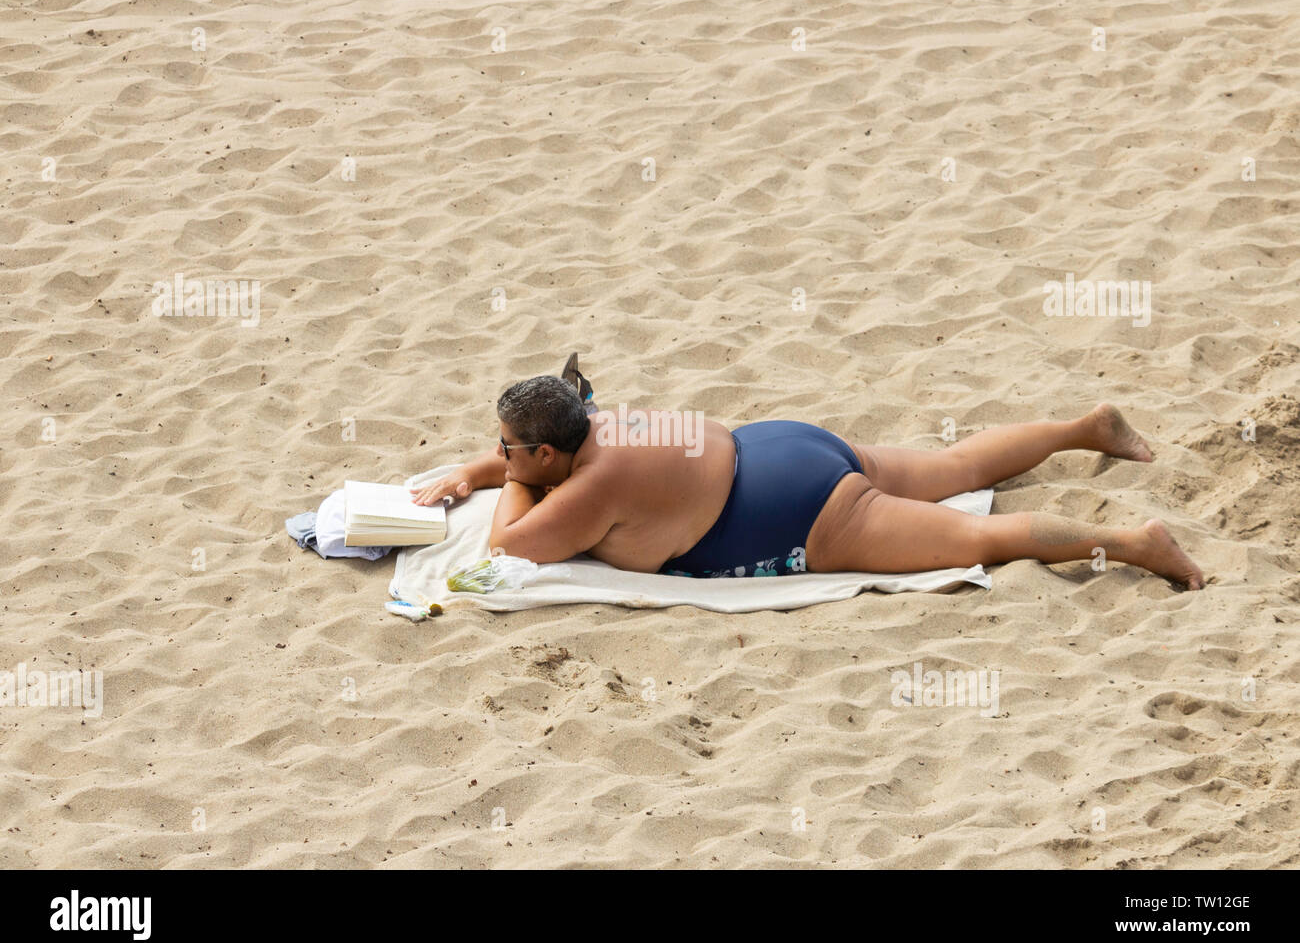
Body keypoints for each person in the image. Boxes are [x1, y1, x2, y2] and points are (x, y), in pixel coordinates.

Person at [411, 359, 1204, 589]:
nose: (501, 456)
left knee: (979, 537)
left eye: (510, 446)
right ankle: (1084, 427)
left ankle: (1135, 542)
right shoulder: (604, 421)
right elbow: (540, 457)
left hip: (795, 512)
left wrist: (503, 480)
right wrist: (483, 464)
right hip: (783, 445)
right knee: (956, 464)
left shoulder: (587, 492)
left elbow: (509, 547)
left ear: (548, 456)